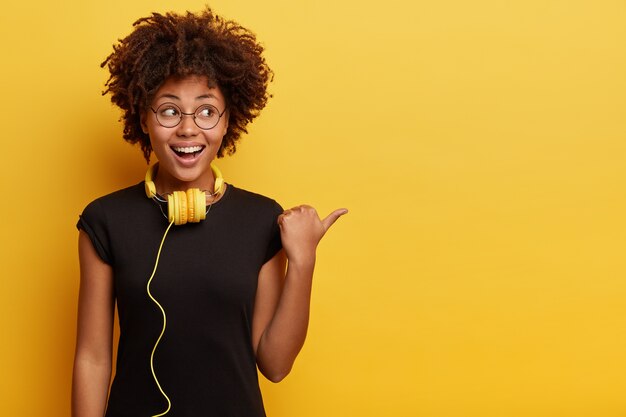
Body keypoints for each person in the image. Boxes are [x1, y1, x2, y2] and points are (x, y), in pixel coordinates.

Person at [71, 8, 347, 417]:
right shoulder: (105, 222)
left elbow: (275, 365)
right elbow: (92, 358)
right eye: (168, 110)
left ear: (227, 121)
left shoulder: (261, 220)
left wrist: (303, 260)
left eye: (205, 111)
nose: (187, 129)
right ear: (144, 119)